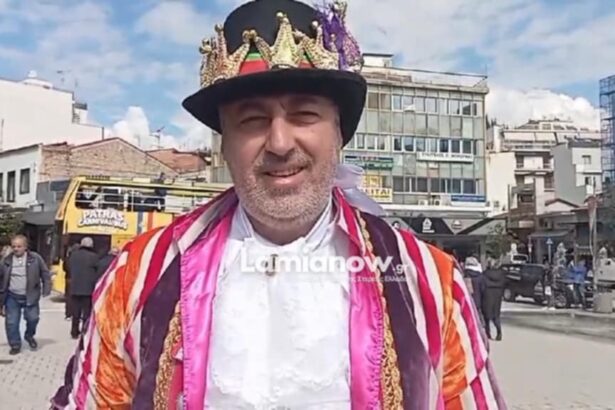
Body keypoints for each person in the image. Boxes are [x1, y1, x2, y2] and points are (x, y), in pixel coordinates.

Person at [51, 0, 505, 408]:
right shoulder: (139, 274)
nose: (280, 143)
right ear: (225, 144)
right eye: (252, 120)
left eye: (304, 115)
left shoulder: (428, 281)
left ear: (339, 134)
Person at [0, 234, 51, 355]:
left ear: (25, 247)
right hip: (12, 296)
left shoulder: (35, 258)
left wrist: (46, 288)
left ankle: (29, 335)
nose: (16, 249)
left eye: (19, 246)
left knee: (33, 318)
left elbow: (45, 273)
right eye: (14, 246)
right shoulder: (6, 260)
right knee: (11, 322)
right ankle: (15, 344)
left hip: (30, 295)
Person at [65, 237, 99, 339]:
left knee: (76, 312)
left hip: (75, 287)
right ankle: (85, 330)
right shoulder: (94, 257)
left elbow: (67, 268)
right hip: (88, 288)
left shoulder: (73, 256)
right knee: (86, 312)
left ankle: (74, 332)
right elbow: (97, 271)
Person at [482, 261, 506, 341]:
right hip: (497, 296)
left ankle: (487, 333)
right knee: (496, 316)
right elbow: (504, 284)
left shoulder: (485, 274)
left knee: (486, 316)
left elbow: (482, 285)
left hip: (487, 295)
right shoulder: (502, 274)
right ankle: (499, 332)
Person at [63, 243, 80, 320]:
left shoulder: (68, 258)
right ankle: (76, 314)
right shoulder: (79, 259)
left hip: (69, 279)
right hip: (77, 279)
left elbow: (65, 268)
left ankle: (68, 314)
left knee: (69, 298)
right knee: (77, 298)